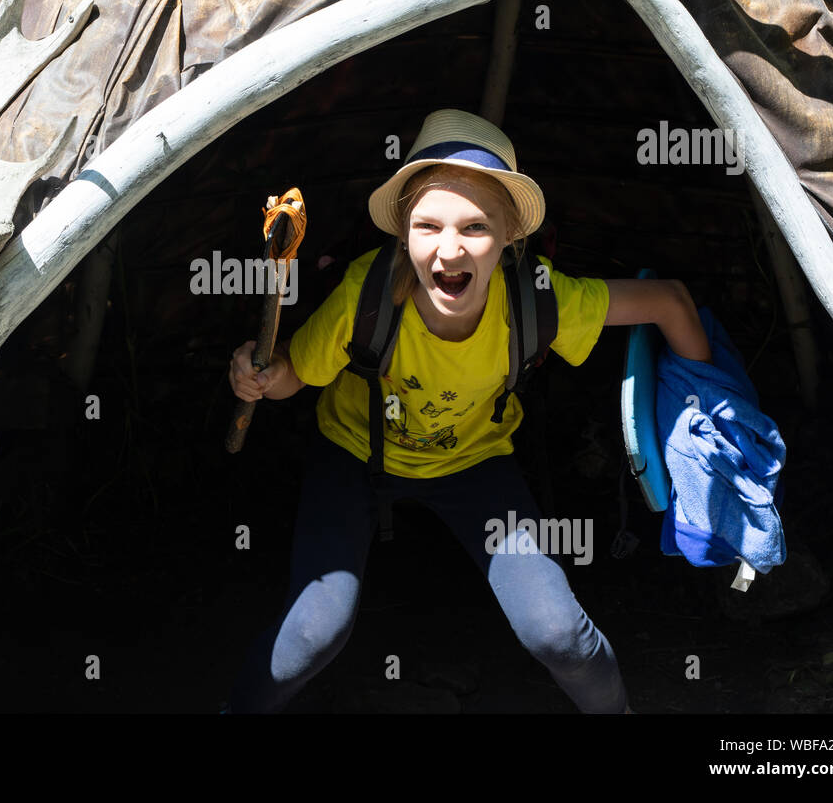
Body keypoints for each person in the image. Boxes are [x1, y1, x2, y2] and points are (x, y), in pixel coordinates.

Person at [225, 108, 711, 713]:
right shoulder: (368, 291)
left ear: (510, 236)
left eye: (475, 228)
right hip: (354, 452)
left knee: (559, 634)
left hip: (475, 464)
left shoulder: (536, 297)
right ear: (403, 232)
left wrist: (708, 411)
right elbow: (295, 374)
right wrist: (257, 377)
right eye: (428, 226)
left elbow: (669, 302)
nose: (448, 251)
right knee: (311, 635)